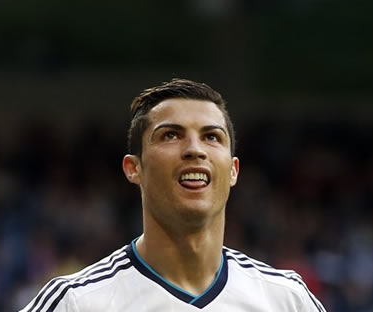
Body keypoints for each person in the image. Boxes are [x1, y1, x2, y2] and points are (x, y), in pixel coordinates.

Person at [19, 78, 326, 311]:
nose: (194, 149)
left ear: (233, 170)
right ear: (133, 168)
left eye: (211, 137)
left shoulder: (288, 300)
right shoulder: (77, 302)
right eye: (171, 135)